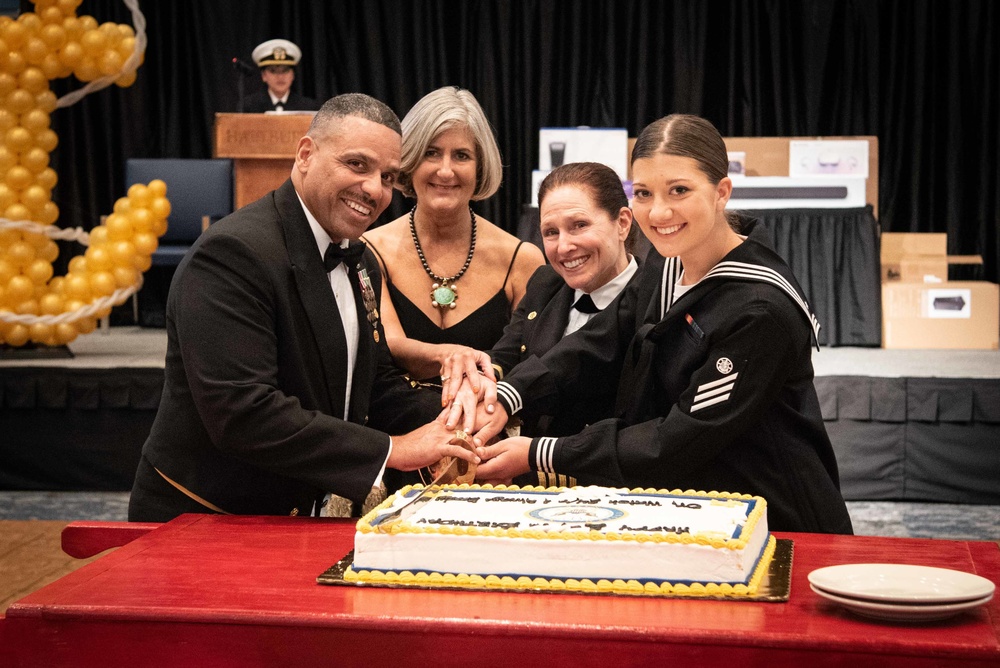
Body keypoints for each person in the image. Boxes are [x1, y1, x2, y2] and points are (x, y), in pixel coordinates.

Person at [472, 114, 853, 534]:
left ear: (721, 192)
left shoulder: (759, 309)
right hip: (696, 512)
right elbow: (603, 337)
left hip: (774, 520)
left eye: (679, 191)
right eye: (645, 193)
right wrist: (510, 394)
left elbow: (676, 440)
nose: (659, 211)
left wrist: (540, 453)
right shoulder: (668, 261)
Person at [129, 94, 477, 522]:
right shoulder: (233, 253)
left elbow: (371, 385)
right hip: (201, 520)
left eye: (388, 177)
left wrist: (459, 417)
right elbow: (243, 413)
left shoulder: (360, 258)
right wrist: (395, 449)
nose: (374, 189)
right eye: (357, 165)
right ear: (306, 154)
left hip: (290, 519)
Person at [361, 86, 544, 393]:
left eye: (461, 155)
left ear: (480, 167)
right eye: (431, 153)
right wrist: (455, 357)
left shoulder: (522, 259)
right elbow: (389, 345)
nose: (445, 171)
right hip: (396, 429)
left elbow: (532, 363)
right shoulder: (369, 249)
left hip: (491, 429)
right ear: (409, 160)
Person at [488, 162, 639, 444]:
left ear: (622, 223)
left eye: (579, 226)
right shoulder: (546, 283)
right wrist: (479, 379)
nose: (563, 246)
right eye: (551, 232)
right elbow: (506, 355)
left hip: (618, 479)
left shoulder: (652, 296)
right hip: (530, 479)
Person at [242, 39, 320, 113]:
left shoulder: (308, 107)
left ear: (293, 75)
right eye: (273, 71)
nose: (280, 77)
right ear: (264, 75)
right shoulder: (249, 106)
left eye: (285, 71)